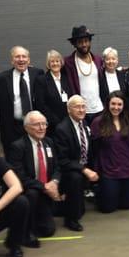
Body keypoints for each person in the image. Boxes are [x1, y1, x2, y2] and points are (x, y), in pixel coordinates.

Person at [7, 111, 61, 247]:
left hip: (46, 190)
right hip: (28, 191)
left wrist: (54, 182)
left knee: (48, 230)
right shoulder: (17, 147)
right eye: (37, 124)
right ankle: (25, 232)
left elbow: (57, 167)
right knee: (32, 193)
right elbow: (19, 177)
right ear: (26, 128)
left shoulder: (49, 142)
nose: (42, 128)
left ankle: (36, 220)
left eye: (44, 124)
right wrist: (44, 187)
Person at [90, 91, 129, 213]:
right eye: (113, 104)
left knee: (126, 205)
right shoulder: (98, 122)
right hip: (109, 170)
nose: (116, 107)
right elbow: (93, 149)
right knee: (107, 208)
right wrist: (95, 170)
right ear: (107, 104)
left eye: (119, 104)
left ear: (124, 106)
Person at [53, 95, 98, 231]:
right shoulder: (62, 129)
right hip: (67, 170)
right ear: (68, 110)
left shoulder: (84, 124)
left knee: (81, 209)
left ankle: (68, 206)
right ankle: (70, 220)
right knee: (76, 178)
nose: (81, 110)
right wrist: (84, 170)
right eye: (77, 107)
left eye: (83, 106)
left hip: (81, 166)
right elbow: (63, 160)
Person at [0, 46, 44, 154]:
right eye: (17, 57)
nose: (21, 59)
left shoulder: (38, 74)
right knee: (13, 159)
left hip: (34, 126)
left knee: (34, 157)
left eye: (24, 56)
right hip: (11, 129)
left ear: (28, 60)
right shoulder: (1, 79)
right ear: (12, 60)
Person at [63, 25, 104, 124]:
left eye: (86, 41)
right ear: (74, 44)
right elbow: (54, 69)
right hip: (81, 111)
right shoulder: (68, 63)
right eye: (80, 42)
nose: (84, 44)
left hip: (99, 109)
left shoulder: (98, 60)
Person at [33, 49, 73, 136]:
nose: (55, 64)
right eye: (52, 61)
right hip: (52, 124)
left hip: (69, 122)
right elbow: (40, 104)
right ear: (48, 64)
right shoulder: (41, 80)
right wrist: (56, 121)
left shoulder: (66, 78)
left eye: (57, 61)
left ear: (61, 62)